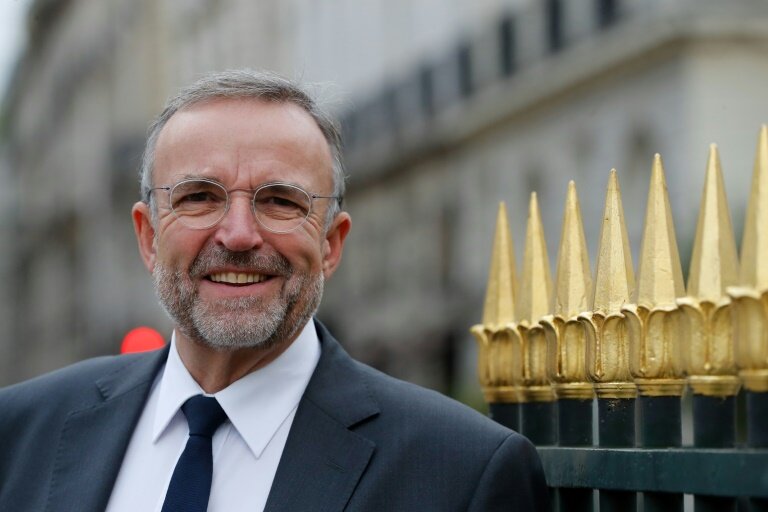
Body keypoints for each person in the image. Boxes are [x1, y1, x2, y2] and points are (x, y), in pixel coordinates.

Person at [0, 69, 548, 511]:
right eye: (198, 197)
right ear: (147, 236)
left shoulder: (460, 473)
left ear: (332, 243)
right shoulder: (20, 432)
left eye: (281, 202)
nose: (238, 234)